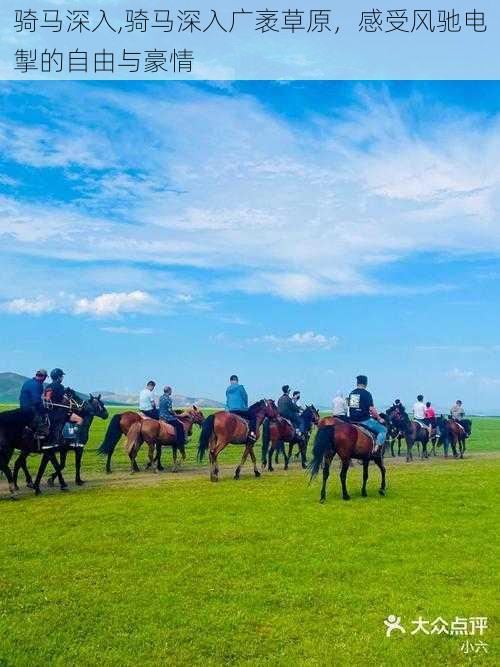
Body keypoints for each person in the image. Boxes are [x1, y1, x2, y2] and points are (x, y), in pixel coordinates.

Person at [43, 368, 83, 449]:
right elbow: (64, 400)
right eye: (61, 376)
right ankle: (72, 439)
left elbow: (47, 399)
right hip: (59, 413)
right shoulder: (60, 386)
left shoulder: (48, 386)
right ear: (58, 377)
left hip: (49, 412)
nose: (62, 378)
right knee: (79, 420)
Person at [347, 375, 387, 454]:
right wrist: (379, 418)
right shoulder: (367, 394)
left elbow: (353, 407)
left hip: (352, 420)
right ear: (366, 383)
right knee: (383, 430)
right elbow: (371, 409)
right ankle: (375, 450)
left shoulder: (352, 393)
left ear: (357, 383)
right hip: (364, 420)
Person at [225, 375, 256, 441]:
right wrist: (246, 406)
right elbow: (245, 397)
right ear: (237, 380)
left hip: (230, 410)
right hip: (240, 409)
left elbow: (227, 399)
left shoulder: (228, 389)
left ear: (230, 381)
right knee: (253, 416)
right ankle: (252, 433)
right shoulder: (240, 387)